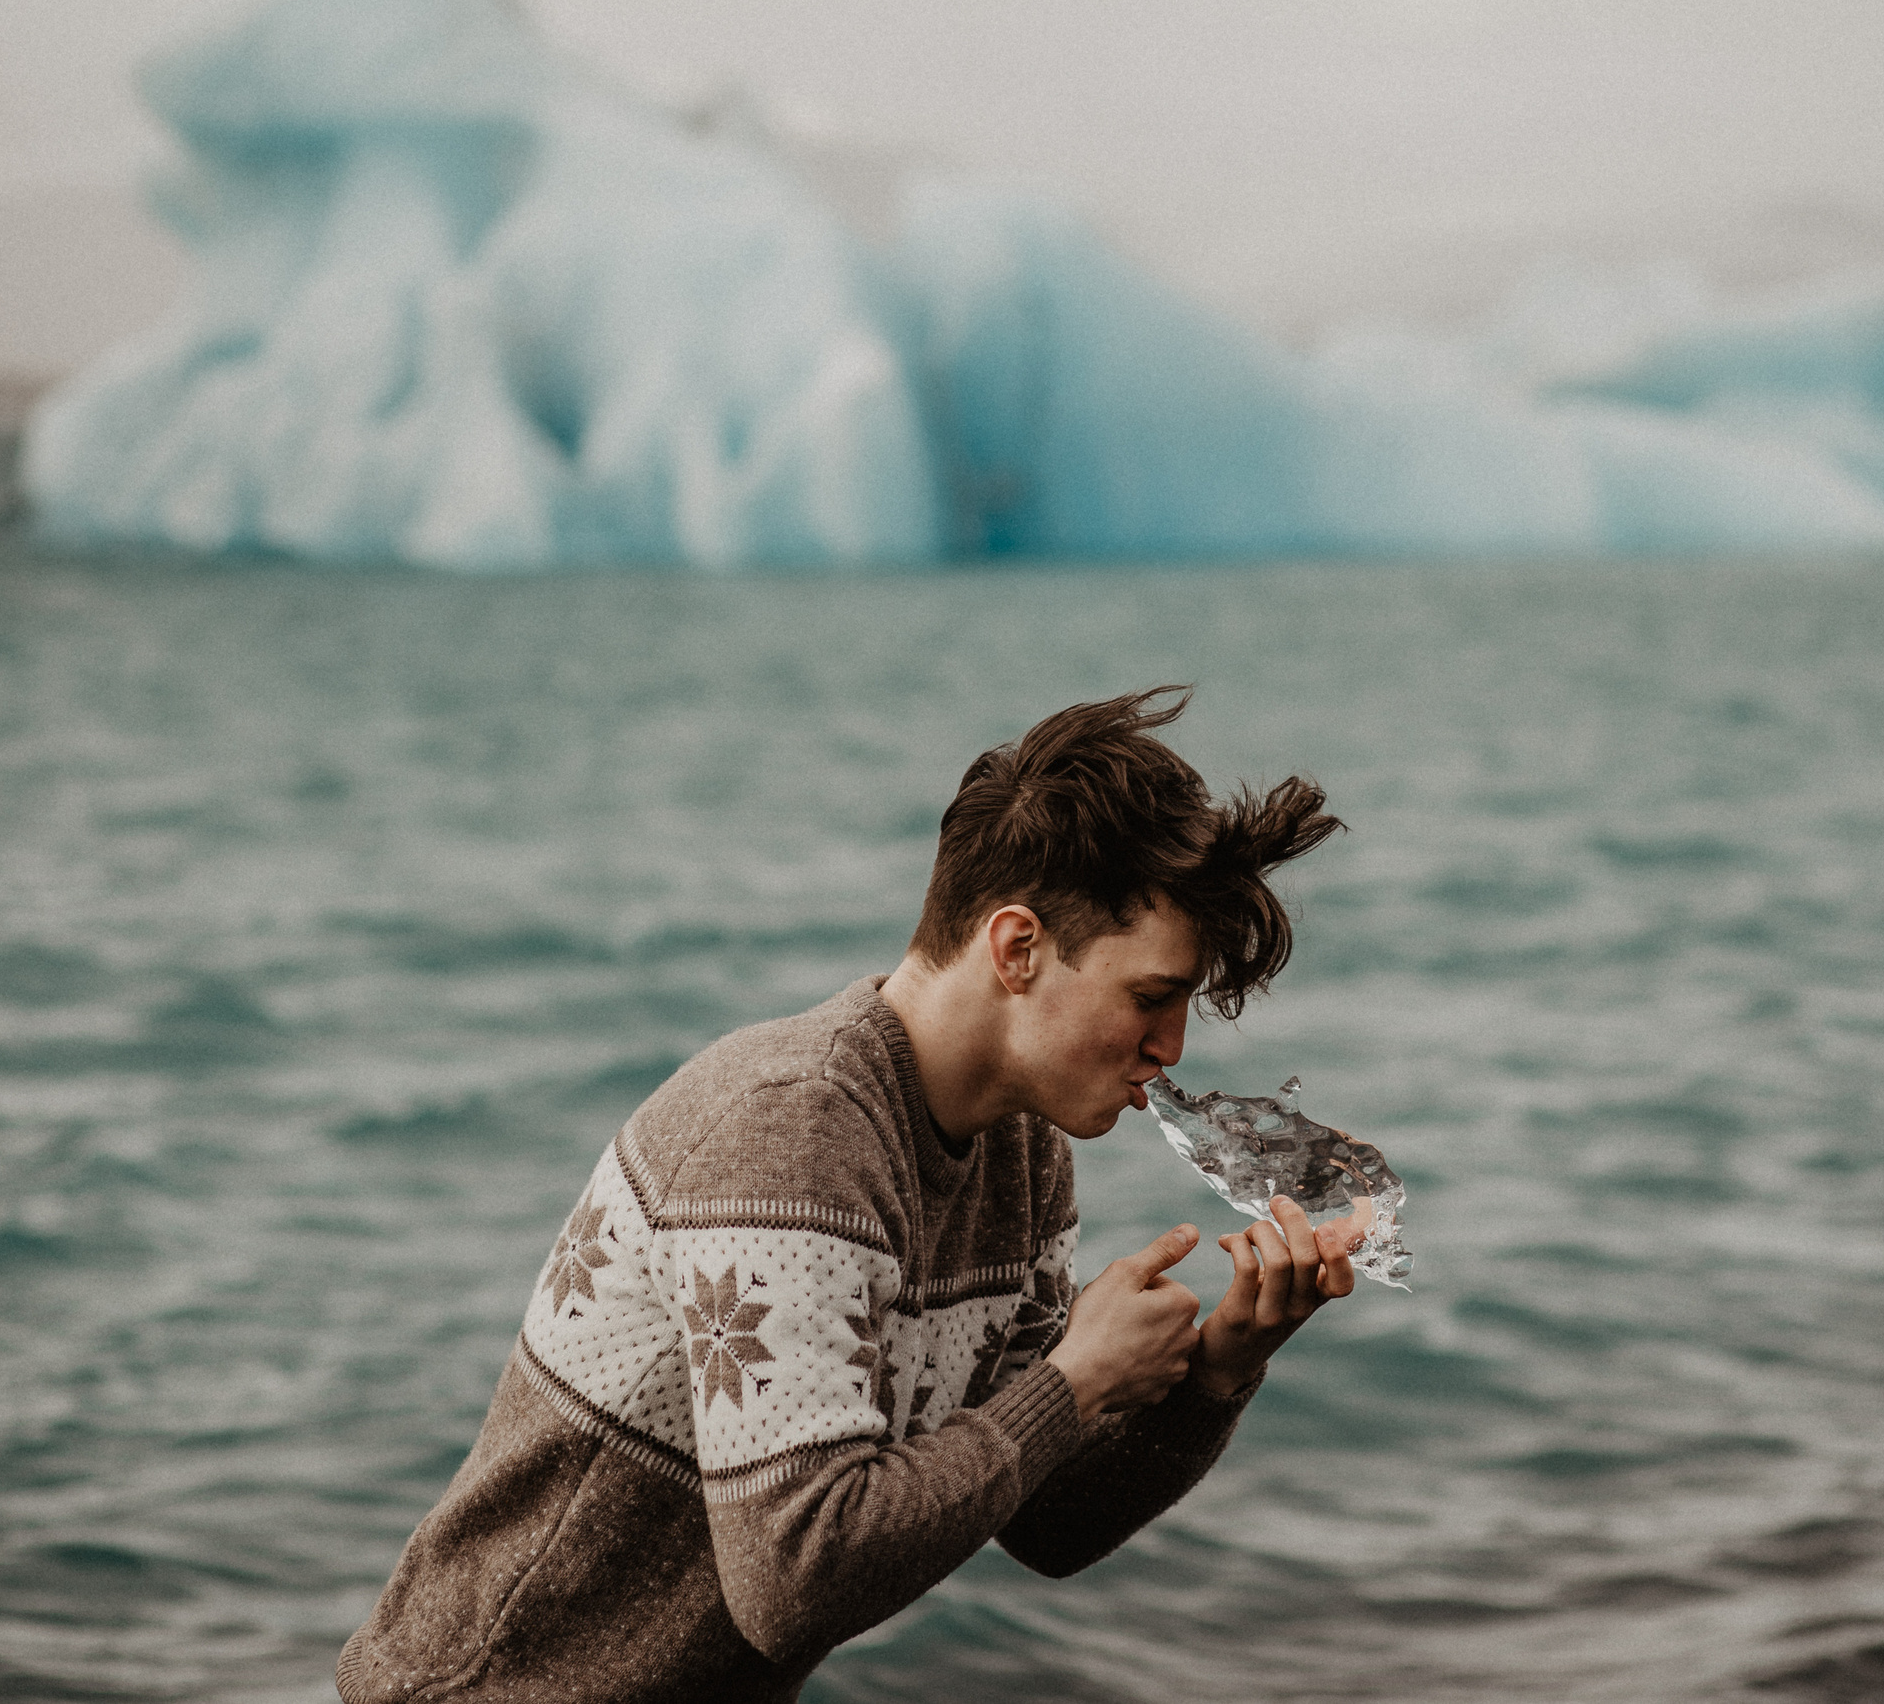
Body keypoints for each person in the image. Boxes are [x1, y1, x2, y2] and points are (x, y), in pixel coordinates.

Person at [337, 686, 1352, 1704]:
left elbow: (1043, 1526)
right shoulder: (794, 1129)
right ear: (1016, 948)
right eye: (1149, 997)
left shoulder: (1024, 1158)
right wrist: (1073, 1381)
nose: (1170, 1049)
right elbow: (793, 1576)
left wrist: (1217, 1368)